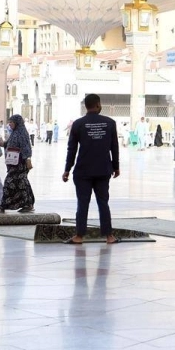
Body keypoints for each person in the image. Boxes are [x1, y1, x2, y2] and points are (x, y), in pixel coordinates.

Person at [62, 94, 120, 244]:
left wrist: (67, 169)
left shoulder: (78, 124)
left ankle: (79, 236)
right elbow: (114, 147)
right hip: (103, 170)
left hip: (83, 171)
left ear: (86, 106)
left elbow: (72, 149)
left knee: (82, 203)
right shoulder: (110, 123)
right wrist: (116, 167)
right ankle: (109, 236)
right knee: (103, 203)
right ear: (98, 104)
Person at [0, 114, 35, 213]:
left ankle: (3, 206)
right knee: (22, 184)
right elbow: (9, 144)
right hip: (13, 162)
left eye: (11, 122)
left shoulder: (22, 133)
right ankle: (28, 204)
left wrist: (28, 159)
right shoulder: (14, 132)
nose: (10, 124)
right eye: (9, 122)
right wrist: (1, 143)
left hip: (20, 163)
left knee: (9, 182)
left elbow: (26, 147)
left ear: (17, 123)